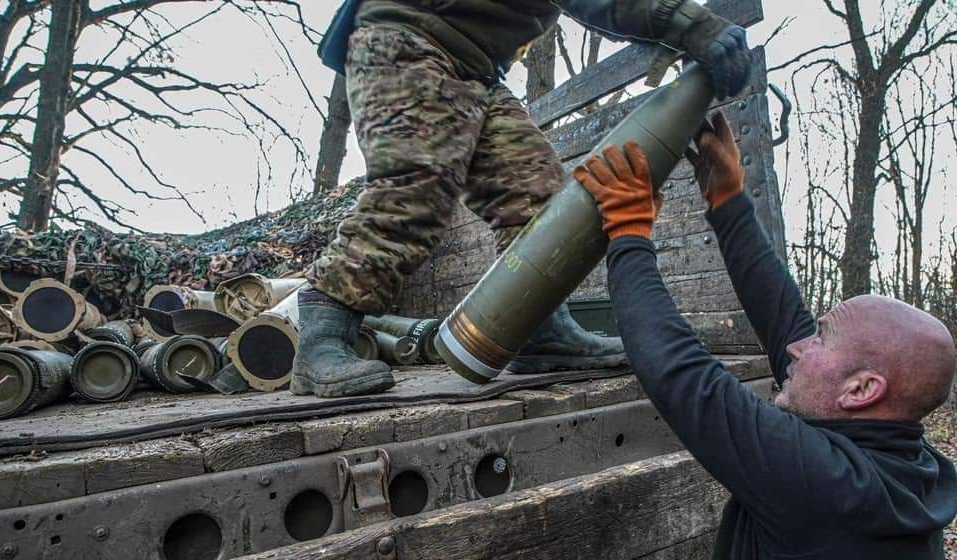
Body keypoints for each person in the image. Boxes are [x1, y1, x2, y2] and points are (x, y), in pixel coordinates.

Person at [572, 112, 957, 560]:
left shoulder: (832, 488)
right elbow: (786, 322)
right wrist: (729, 203)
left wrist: (628, 230)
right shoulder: (892, 457)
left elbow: (683, 378)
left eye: (820, 339)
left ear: (863, 390)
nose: (795, 348)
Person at [294, 0, 753, 398]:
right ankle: (323, 334)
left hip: (475, 65)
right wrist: (693, 25)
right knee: (416, 189)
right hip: (408, 38)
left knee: (539, 196)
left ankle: (541, 333)